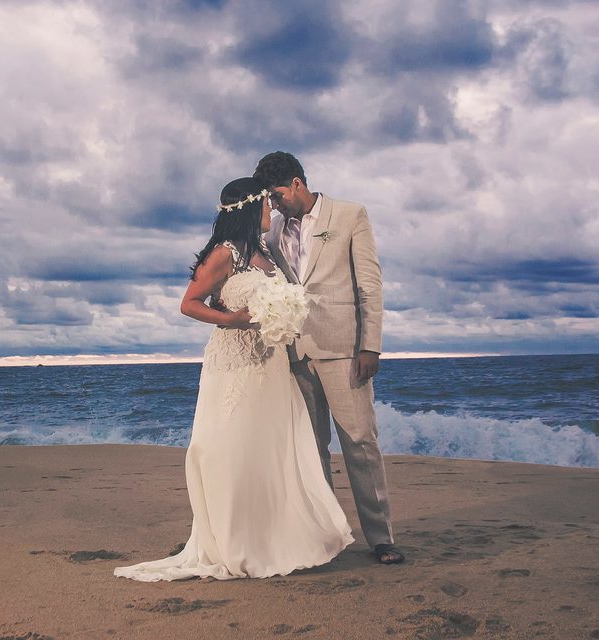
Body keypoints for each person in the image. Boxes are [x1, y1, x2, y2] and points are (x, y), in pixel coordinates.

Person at [113, 177, 353, 582]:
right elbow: (188, 304)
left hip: (272, 366)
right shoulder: (224, 254)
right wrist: (232, 320)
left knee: (274, 450)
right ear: (248, 209)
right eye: (265, 205)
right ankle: (239, 540)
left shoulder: (264, 251)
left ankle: (278, 534)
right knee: (234, 447)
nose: (271, 211)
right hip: (235, 365)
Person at [254, 151, 404, 565]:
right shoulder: (273, 231)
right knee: (311, 448)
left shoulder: (350, 215)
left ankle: (381, 537)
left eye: (278, 194)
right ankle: (325, 537)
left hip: (343, 349)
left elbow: (370, 285)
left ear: (297, 183)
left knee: (359, 441)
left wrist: (370, 344)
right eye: (270, 197)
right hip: (294, 352)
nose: (275, 202)